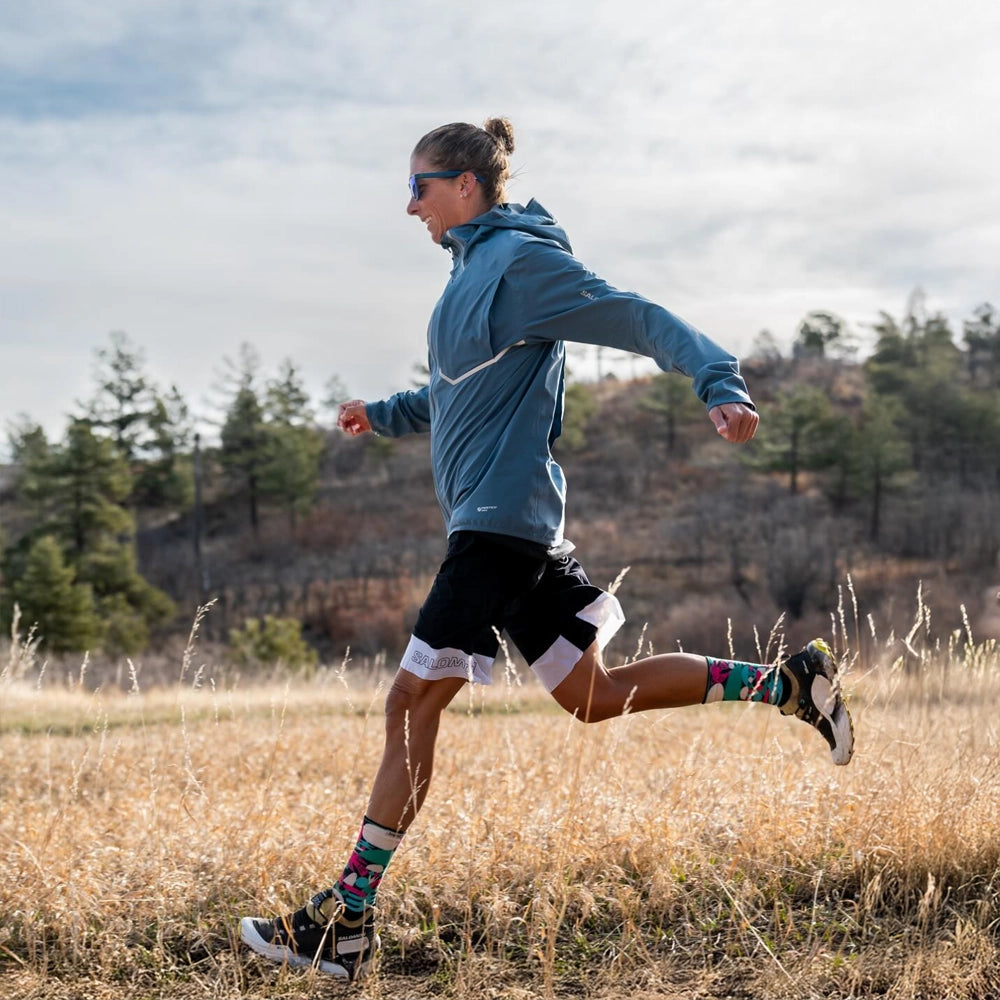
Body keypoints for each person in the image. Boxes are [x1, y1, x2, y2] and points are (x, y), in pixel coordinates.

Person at [239, 117, 854, 980]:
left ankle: (341, 922)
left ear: (464, 185)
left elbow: (637, 316)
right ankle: (789, 682)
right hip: (511, 527)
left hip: (497, 530)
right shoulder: (469, 275)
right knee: (591, 694)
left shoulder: (521, 263)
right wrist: (382, 414)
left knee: (410, 703)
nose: (407, 206)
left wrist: (718, 381)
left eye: (417, 187)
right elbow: (453, 395)